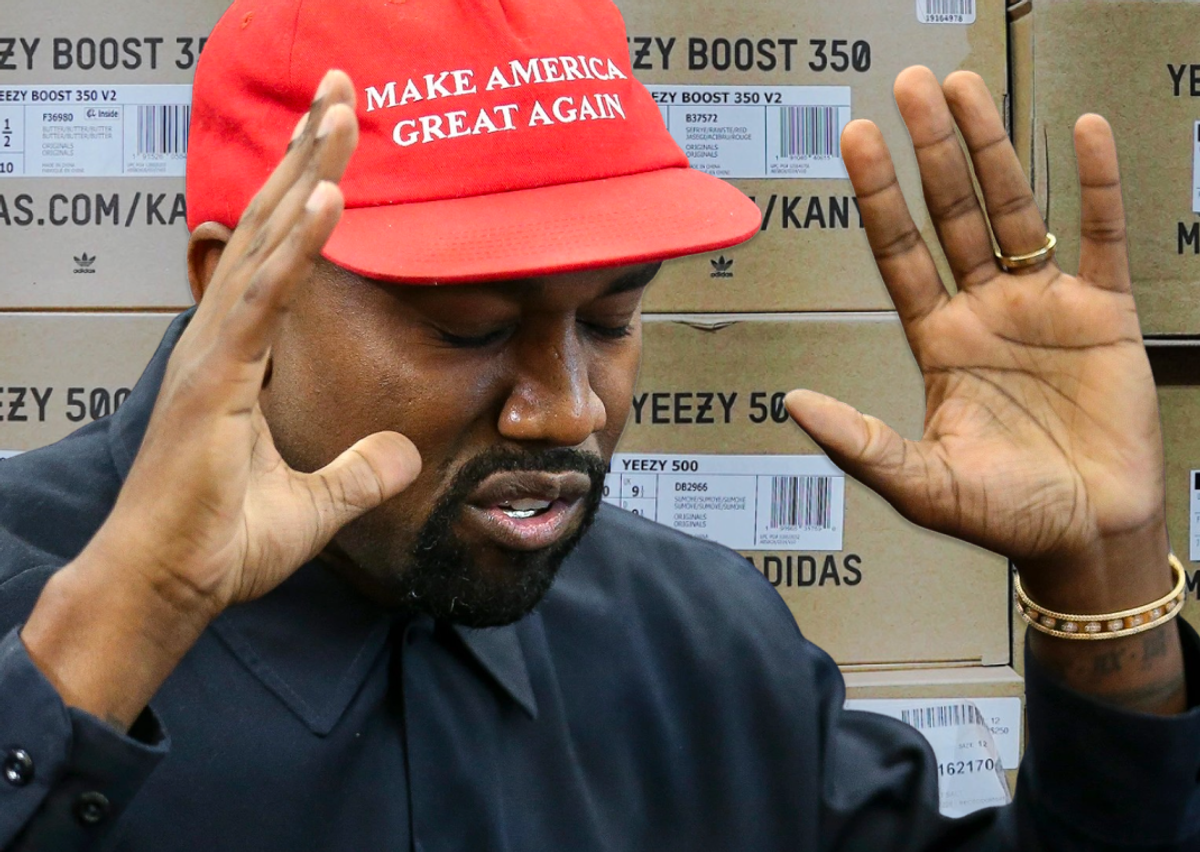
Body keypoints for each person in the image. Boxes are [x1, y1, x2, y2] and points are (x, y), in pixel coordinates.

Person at [1, 0, 1197, 848]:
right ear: (236, 293)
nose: (568, 405)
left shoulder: (701, 646)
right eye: (466, 329)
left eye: (613, 318)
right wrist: (113, 647)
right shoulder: (31, 605)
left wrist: (1104, 576)